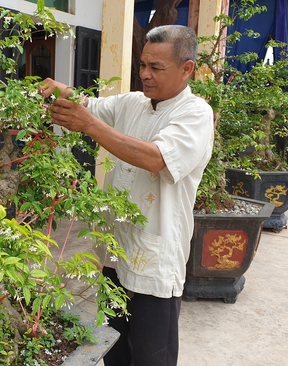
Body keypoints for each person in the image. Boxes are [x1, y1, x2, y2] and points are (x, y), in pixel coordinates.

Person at [41, 25, 214, 366]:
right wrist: (59, 90)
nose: (145, 75)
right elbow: (88, 104)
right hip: (115, 251)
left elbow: (156, 158)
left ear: (187, 69)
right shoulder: (134, 102)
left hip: (156, 256)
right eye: (142, 65)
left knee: (153, 356)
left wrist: (88, 125)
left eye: (156, 68)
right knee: (114, 347)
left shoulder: (195, 114)